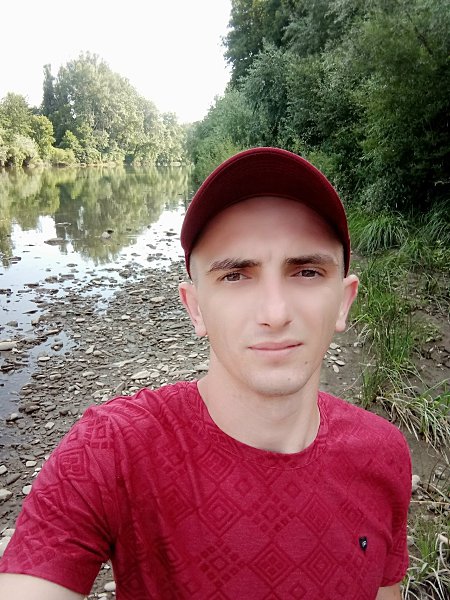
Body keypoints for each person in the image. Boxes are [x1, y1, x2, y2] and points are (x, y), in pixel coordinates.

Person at [0, 147, 411, 599]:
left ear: (344, 301)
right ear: (195, 308)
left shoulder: (383, 453)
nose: (275, 313)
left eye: (307, 272)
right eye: (235, 276)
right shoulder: (112, 450)